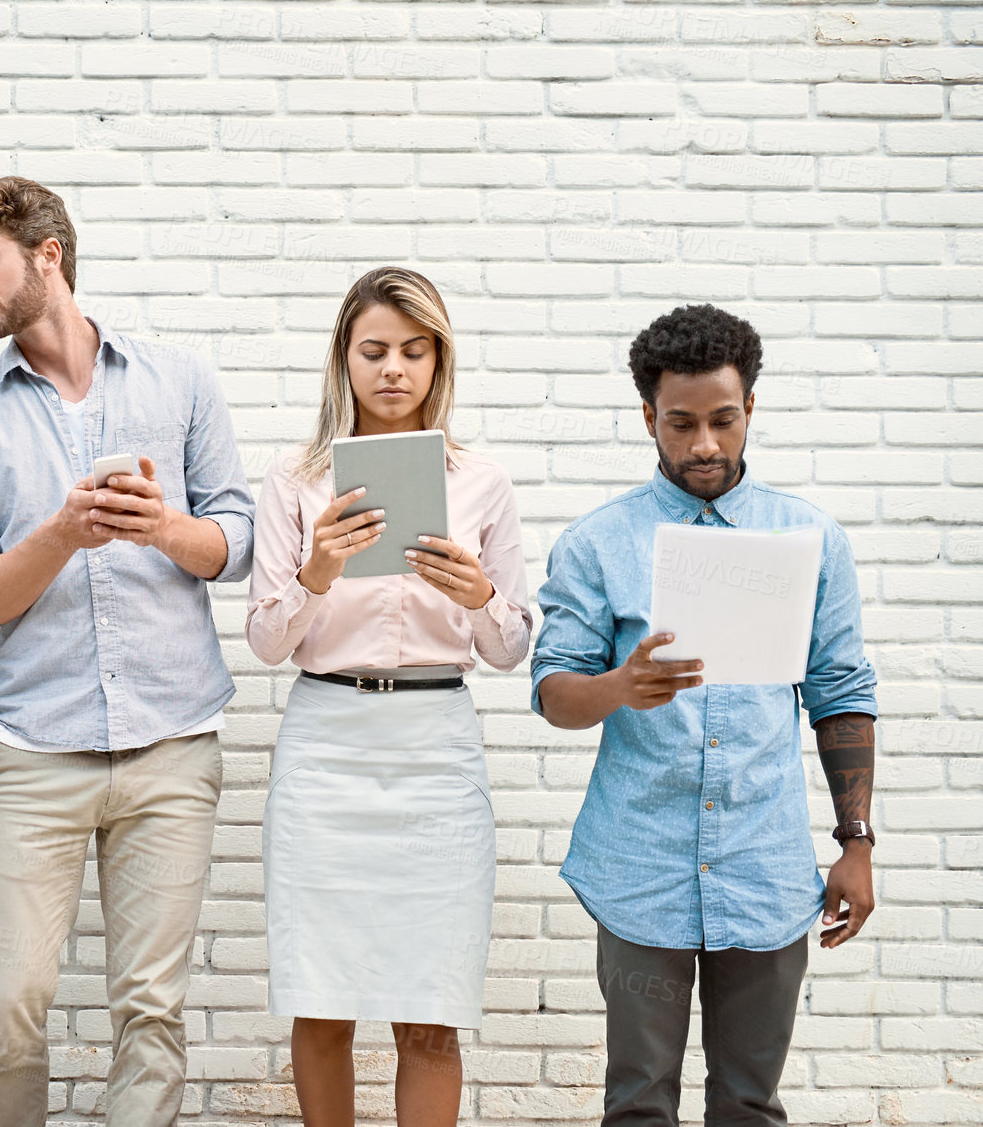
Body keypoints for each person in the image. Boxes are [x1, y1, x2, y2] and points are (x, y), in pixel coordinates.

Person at [0, 176, 254, 1126]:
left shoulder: (178, 381)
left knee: (151, 1011)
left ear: (47, 256)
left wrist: (161, 529)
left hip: (172, 743)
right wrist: (62, 534)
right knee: (6, 1007)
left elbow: (233, 542)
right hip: (35, 753)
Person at [532, 303, 878, 1126]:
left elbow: (839, 692)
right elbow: (551, 693)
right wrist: (619, 686)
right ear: (647, 415)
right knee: (638, 1100)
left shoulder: (809, 538)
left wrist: (855, 842)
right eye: (679, 422)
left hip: (764, 864)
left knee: (749, 1104)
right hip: (637, 865)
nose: (703, 446)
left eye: (722, 420)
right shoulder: (596, 543)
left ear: (749, 407)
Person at [245, 267, 531, 1127]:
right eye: (373, 351)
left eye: (414, 351)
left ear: (439, 360)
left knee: (430, 1010)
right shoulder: (294, 481)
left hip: (435, 745)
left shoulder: (482, 481)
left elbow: (513, 647)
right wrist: (316, 571)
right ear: (343, 359)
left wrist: (480, 594)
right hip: (326, 741)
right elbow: (265, 642)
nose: (393, 370)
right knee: (321, 1001)